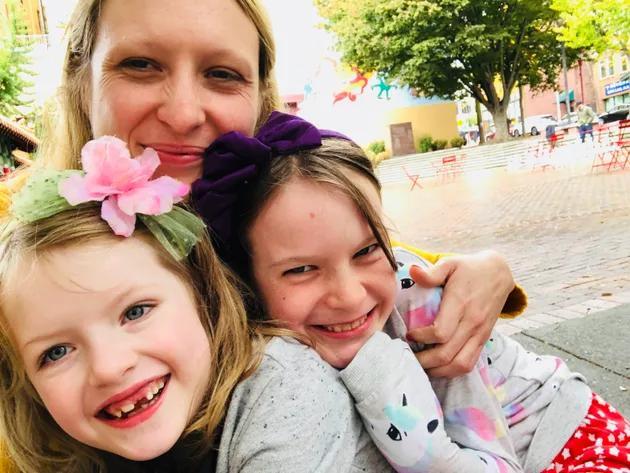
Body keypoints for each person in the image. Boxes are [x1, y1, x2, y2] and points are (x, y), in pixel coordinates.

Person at [34, 0, 526, 379]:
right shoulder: (22, 261)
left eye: (221, 74)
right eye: (141, 65)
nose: (183, 114)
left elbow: (381, 262)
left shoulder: (261, 209)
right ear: (80, 78)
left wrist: (482, 272)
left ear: (259, 94)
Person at [198, 111, 629, 473]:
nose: (349, 296)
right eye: (302, 269)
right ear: (246, 279)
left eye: (368, 250)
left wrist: (382, 385)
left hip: (575, 443)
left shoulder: (423, 305)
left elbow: (496, 464)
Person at [0, 136, 394, 472]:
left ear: (204, 294)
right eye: (56, 352)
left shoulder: (286, 389)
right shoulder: (74, 450)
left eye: (135, 312)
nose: (108, 367)